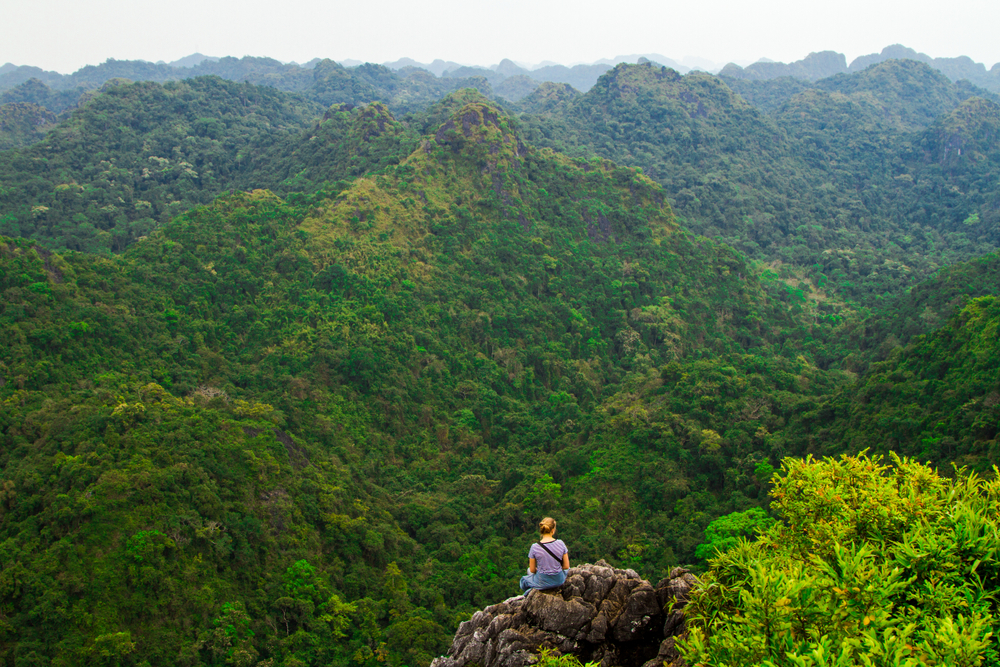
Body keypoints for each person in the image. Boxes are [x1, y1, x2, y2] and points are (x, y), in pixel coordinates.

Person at [519, 516, 570, 593]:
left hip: (542, 581)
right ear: (552, 530)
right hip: (559, 580)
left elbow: (532, 570)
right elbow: (566, 566)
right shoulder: (561, 543)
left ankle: (532, 591)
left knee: (525, 578)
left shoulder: (534, 547)